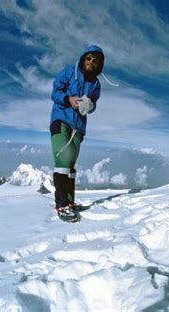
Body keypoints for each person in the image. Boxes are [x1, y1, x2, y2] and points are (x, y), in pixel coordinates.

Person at [49, 45, 104, 222]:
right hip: (61, 120)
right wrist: (68, 99)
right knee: (63, 161)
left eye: (96, 61)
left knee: (71, 166)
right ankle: (61, 205)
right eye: (89, 58)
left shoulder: (95, 84)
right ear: (83, 59)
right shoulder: (68, 72)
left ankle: (70, 203)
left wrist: (89, 106)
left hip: (78, 127)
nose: (92, 62)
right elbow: (55, 92)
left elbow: (93, 105)